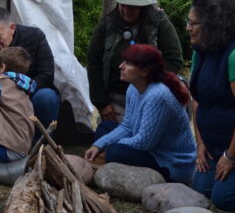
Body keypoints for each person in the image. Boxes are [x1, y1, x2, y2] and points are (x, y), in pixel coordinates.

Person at [187, 0, 235, 212]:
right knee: (202, 188)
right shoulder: (200, 53)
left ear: (213, 25)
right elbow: (197, 100)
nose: (188, 28)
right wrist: (201, 143)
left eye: (193, 23)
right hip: (214, 146)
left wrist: (231, 156)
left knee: (225, 198)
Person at [84, 44, 196, 184]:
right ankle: (105, 160)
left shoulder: (157, 95)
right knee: (105, 127)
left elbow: (144, 142)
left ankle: (106, 162)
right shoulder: (133, 88)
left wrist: (109, 148)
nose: (121, 66)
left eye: (128, 63)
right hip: (149, 148)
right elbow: (127, 126)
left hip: (170, 163)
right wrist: (98, 145)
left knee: (115, 151)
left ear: (144, 71)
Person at [87, 0, 183, 139]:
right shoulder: (107, 24)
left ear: (143, 6)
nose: (125, 10)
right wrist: (102, 103)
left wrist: (150, 87)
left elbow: (174, 60)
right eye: (122, 5)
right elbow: (93, 62)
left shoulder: (160, 24)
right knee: (107, 140)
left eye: (131, 7)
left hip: (149, 97)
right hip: (115, 99)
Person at [0, 6, 60, 133]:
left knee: (46, 97)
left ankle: (39, 144)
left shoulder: (35, 37)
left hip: (31, 96)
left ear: (12, 28)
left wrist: (18, 93)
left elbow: (46, 75)